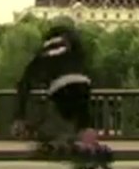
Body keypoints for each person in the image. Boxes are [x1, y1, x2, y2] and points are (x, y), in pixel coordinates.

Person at [11, 19, 100, 152]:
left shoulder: (43, 52)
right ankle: (89, 149)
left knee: (54, 123)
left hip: (61, 88)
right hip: (83, 84)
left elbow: (25, 83)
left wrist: (20, 116)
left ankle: (57, 142)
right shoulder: (75, 47)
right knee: (83, 121)